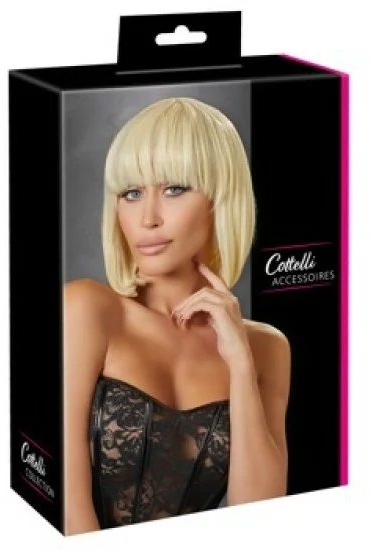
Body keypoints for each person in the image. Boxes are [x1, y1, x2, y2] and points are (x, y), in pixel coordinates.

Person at [63, 97, 291, 534]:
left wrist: (240, 364)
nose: (147, 218)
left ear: (221, 200)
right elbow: (67, 508)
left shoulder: (266, 348)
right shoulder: (86, 310)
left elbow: (260, 515)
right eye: (131, 193)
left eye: (174, 189)